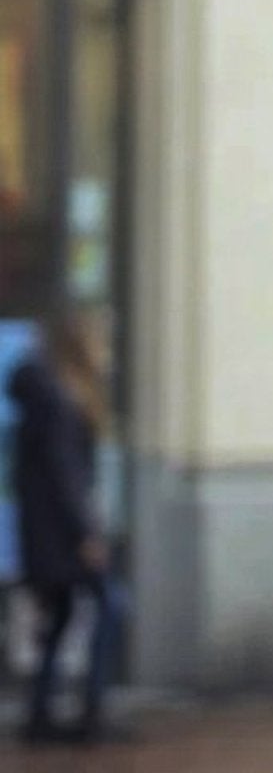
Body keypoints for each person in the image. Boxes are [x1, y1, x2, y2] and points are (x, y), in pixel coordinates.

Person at [7, 308, 128, 745]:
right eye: (102, 342)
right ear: (83, 346)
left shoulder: (51, 396)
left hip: (48, 533)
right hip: (62, 537)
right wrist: (86, 536)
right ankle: (92, 713)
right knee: (111, 606)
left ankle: (41, 716)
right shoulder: (59, 401)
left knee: (60, 618)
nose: (107, 353)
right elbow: (66, 477)